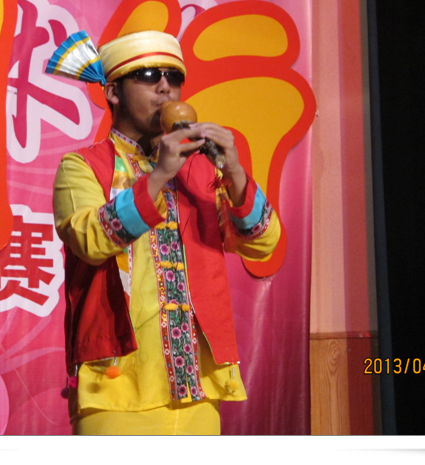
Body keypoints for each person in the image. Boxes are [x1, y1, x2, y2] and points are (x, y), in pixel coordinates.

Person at [51, 30, 281, 435]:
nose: (165, 87)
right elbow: (90, 240)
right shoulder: (82, 166)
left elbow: (263, 243)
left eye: (174, 77)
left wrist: (235, 173)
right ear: (113, 92)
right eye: (148, 75)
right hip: (115, 389)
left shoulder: (202, 171)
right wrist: (158, 176)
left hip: (198, 388)